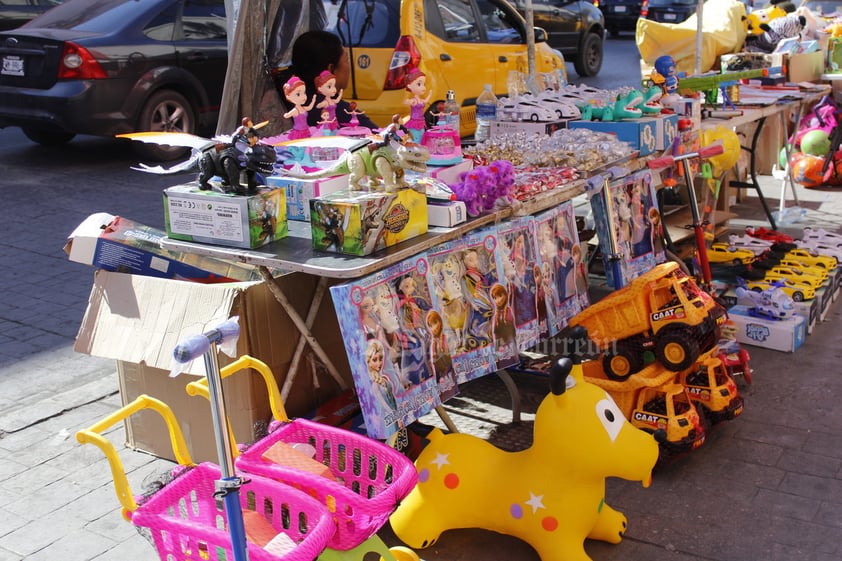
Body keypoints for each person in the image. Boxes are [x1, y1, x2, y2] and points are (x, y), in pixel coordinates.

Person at [289, 30, 379, 130]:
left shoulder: (285, 103)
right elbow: (382, 139)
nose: (349, 66)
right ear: (330, 69)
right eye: (346, 60)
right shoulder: (342, 113)